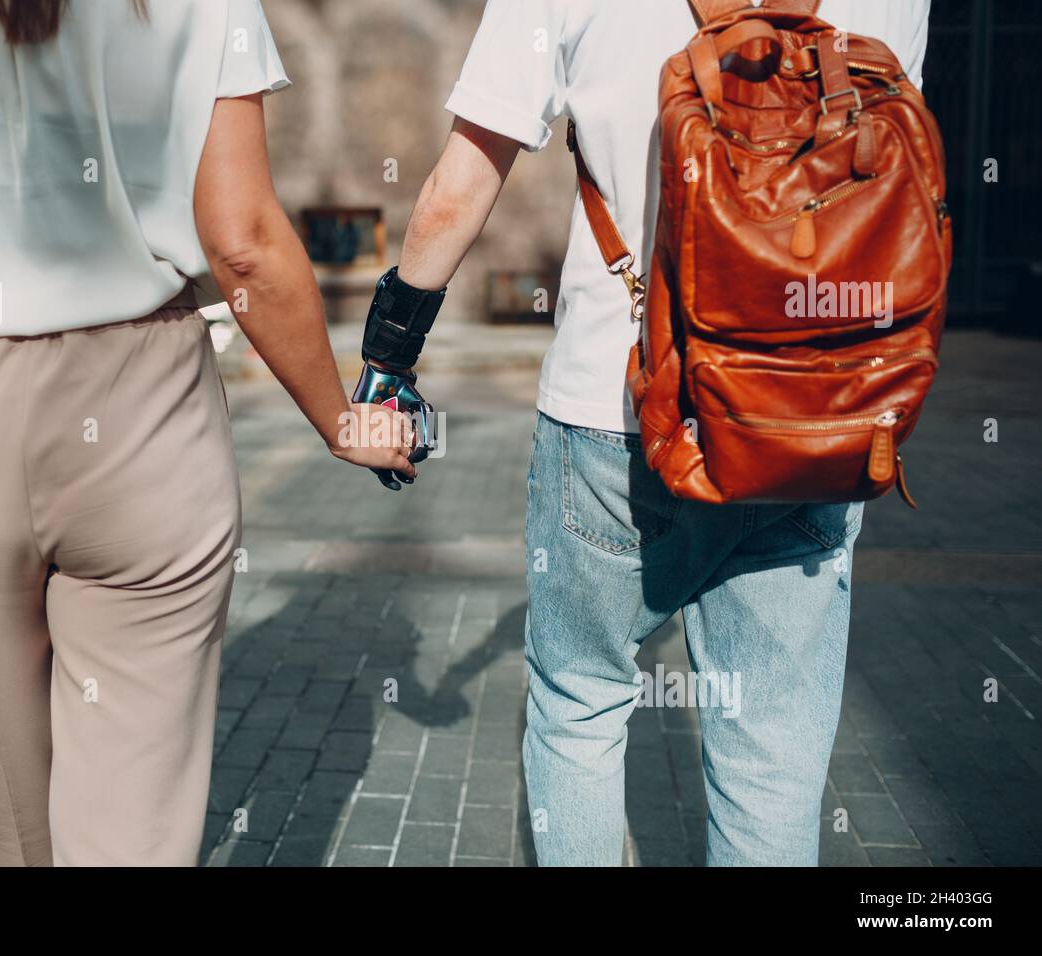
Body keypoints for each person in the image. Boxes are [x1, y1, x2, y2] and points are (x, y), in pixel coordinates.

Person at [0, 0, 413, 866]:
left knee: (17, 832)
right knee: (133, 841)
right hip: (145, 411)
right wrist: (340, 420)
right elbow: (245, 242)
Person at [368, 0, 931, 865]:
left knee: (580, 706)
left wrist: (388, 363)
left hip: (615, 411)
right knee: (770, 752)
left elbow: (463, 180)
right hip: (810, 423)